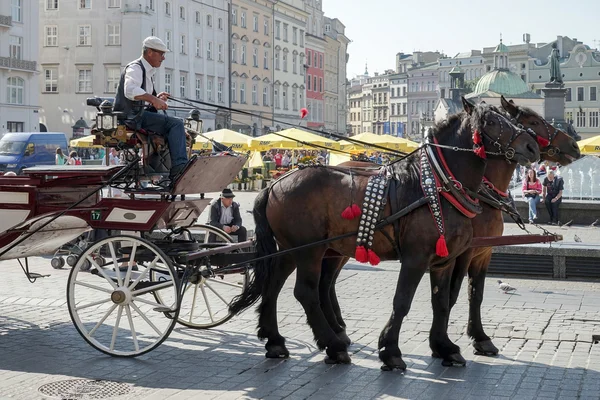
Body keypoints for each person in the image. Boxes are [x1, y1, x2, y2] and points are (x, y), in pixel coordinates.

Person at [113, 36, 188, 183]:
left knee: (175, 125)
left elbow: (141, 97)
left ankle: (163, 166)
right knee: (176, 124)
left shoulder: (147, 71)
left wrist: (156, 98)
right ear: (149, 53)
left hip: (139, 115)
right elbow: (130, 90)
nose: (163, 58)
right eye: (161, 53)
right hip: (132, 118)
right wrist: (154, 100)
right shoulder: (135, 68)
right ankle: (179, 167)